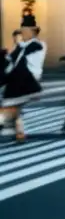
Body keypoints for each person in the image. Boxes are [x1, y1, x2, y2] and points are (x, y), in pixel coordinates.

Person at [1, 15, 46, 143]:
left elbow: (20, 55)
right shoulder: (22, 45)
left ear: (32, 31)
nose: (23, 34)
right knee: (15, 106)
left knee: (10, 104)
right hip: (21, 79)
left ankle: (12, 128)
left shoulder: (38, 44)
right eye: (22, 31)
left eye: (25, 31)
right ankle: (19, 132)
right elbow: (10, 59)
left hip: (28, 80)